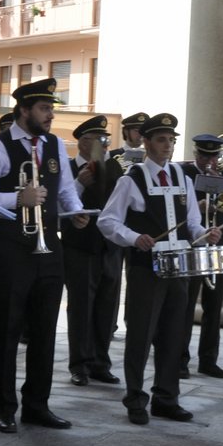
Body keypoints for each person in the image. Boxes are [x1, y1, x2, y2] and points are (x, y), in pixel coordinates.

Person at [0, 77, 88, 433]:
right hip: (9, 248)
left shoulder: (54, 144)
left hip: (48, 246)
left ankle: (37, 404)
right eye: (44, 108)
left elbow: (65, 189)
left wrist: (77, 211)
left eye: (51, 108)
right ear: (24, 110)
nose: (50, 115)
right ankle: (4, 407)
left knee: (44, 330)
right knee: (6, 329)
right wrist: (16, 198)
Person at [101, 114, 222, 423]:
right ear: (146, 142)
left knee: (174, 335)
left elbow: (192, 222)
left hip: (179, 268)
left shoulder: (183, 178)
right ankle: (136, 400)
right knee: (141, 335)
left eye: (171, 140)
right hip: (146, 269)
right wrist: (133, 237)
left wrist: (203, 235)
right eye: (161, 139)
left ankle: (167, 398)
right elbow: (108, 220)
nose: (167, 145)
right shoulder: (132, 178)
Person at [63, 115, 122, 387]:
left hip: (109, 246)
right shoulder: (66, 168)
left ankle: (101, 362)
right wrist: (80, 183)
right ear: (84, 142)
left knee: (107, 307)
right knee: (82, 307)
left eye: (106, 140)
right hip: (80, 247)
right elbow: (57, 206)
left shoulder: (113, 168)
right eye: (100, 140)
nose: (105, 145)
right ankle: (80, 365)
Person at [180, 132, 223, 379]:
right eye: (204, 155)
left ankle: (209, 359)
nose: (209, 160)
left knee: (214, 303)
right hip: (193, 244)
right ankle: (180, 358)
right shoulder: (185, 175)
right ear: (195, 154)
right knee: (186, 304)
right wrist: (197, 206)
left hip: (217, 244)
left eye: (213, 155)